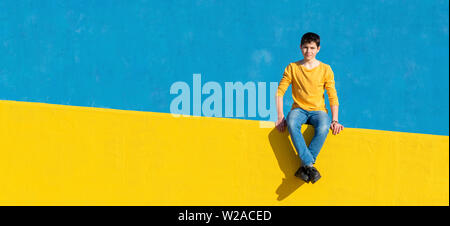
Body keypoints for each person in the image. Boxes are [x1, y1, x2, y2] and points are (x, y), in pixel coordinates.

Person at [275, 32, 344, 184]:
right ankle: (309, 164)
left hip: (319, 111)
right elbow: (280, 92)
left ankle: (306, 165)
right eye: (305, 47)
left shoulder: (326, 69)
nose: (309, 51)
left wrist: (335, 120)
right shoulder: (292, 67)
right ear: (300, 48)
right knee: (292, 123)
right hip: (299, 109)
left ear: (318, 49)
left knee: (324, 127)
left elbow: (333, 95)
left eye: (312, 48)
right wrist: (280, 116)